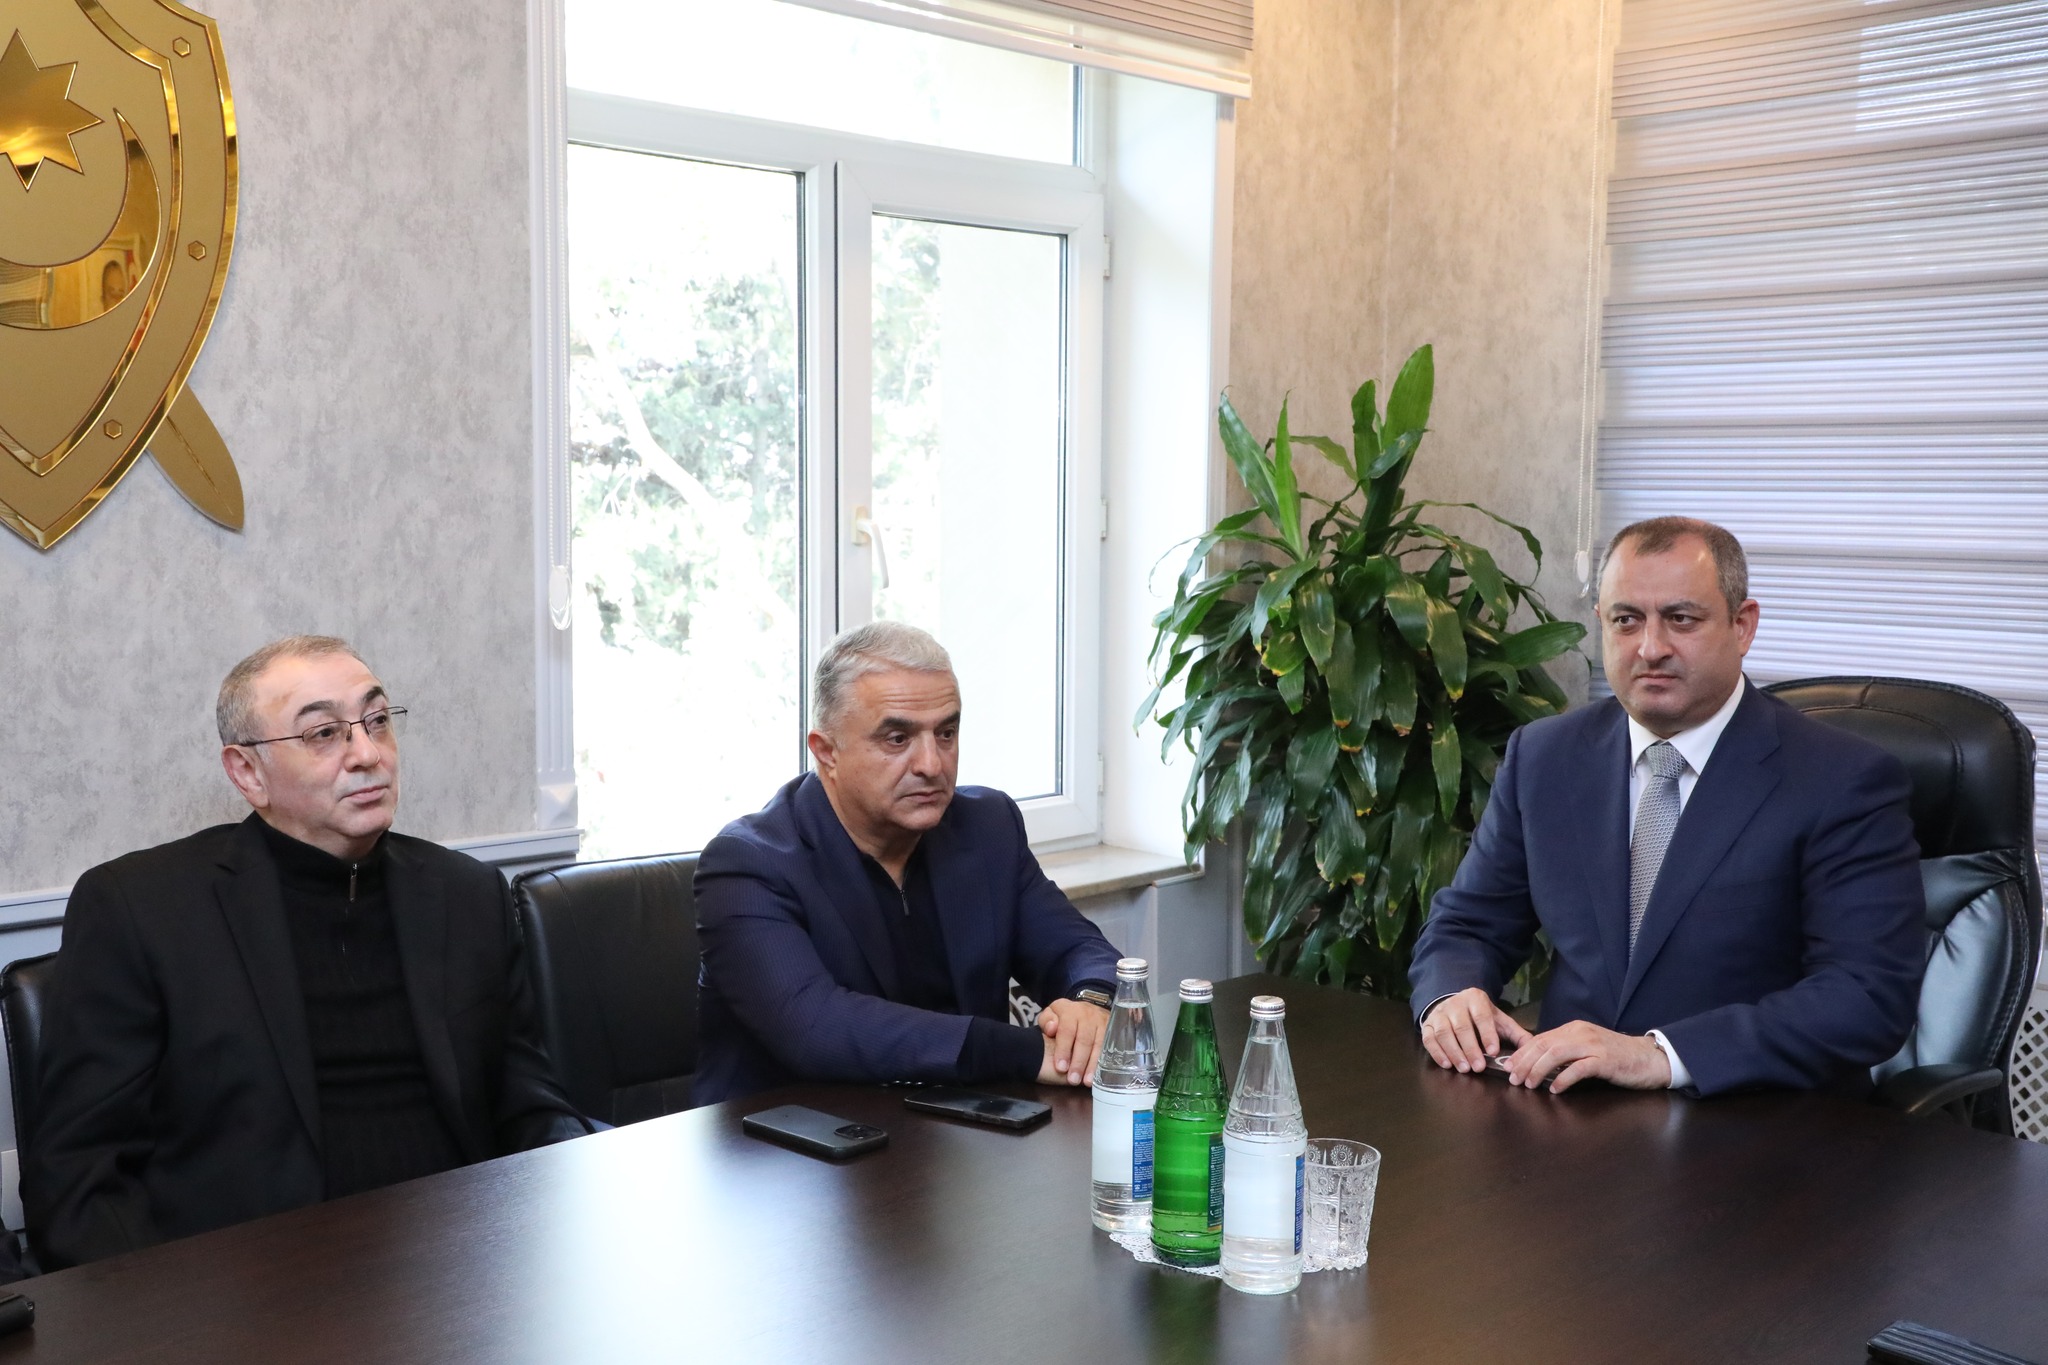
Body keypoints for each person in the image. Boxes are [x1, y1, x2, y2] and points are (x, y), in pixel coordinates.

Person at [26, 636, 592, 1270]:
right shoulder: (141, 908)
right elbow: (77, 1178)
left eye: (377, 721)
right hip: (257, 1286)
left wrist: (579, 1213)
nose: (368, 754)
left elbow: (529, 1104)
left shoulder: (466, 894)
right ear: (248, 773)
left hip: (465, 1261)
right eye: (324, 733)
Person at [1408, 517, 1925, 1097]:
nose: (1650, 648)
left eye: (1681, 619)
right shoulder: (1545, 756)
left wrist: (1660, 1055)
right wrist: (1450, 998)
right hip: (1567, 1109)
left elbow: (1867, 995)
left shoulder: (1841, 779)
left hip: (1754, 1120)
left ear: (1742, 626)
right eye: (1626, 620)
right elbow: (1469, 923)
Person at [693, 622, 1124, 1105]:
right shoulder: (748, 863)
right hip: (787, 1136)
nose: (932, 765)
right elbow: (815, 1026)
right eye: (898, 738)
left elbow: (1078, 948)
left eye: (946, 733)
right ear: (827, 752)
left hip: (960, 1127)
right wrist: (1026, 1052)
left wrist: (1091, 1005)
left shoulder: (987, 828)